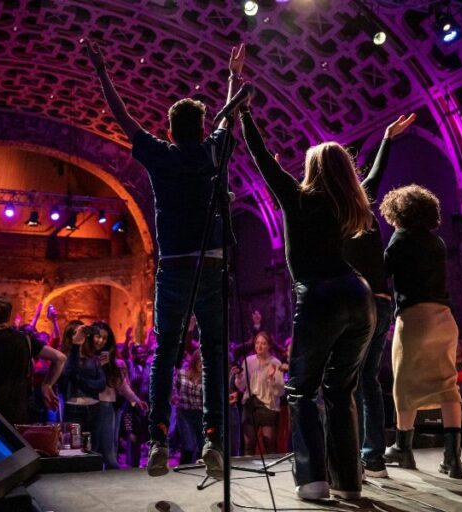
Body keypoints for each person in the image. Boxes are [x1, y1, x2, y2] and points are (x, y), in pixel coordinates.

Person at [86, 38, 245, 479]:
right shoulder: (214, 150)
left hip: (174, 267)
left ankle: (157, 441)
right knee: (214, 353)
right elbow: (227, 118)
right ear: (199, 128)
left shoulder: (160, 155)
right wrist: (233, 77)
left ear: (170, 132)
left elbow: (124, 119)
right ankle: (214, 438)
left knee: (166, 354)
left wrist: (103, 73)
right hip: (212, 266)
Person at [240, 99, 376, 500]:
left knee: (301, 390)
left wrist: (246, 113)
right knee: (340, 391)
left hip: (320, 295)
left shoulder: (298, 197)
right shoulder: (347, 202)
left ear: (312, 168)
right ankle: (349, 482)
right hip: (359, 294)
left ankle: (314, 481)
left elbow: (261, 158)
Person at [343, 113, 417, 478]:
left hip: (356, 302)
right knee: (368, 377)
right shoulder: (362, 202)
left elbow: (373, 173)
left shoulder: (332, 211)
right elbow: (375, 172)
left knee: (350, 378)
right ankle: (372, 458)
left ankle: (356, 453)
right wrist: (387, 137)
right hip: (382, 302)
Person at [379, 184, 462, 479]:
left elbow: (382, 273)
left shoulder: (400, 238)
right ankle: (452, 460)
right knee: (447, 385)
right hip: (444, 318)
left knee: (404, 385)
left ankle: (403, 448)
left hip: (415, 319)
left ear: (397, 212)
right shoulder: (437, 242)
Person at [0, 297, 66, 424]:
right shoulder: (25, 339)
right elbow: (60, 358)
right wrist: (47, 385)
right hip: (20, 414)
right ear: (9, 316)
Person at [93, 321, 148, 469]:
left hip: (111, 404)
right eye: (98, 337)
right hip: (89, 406)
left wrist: (136, 400)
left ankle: (117, 476)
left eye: (104, 338)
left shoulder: (109, 359)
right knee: (96, 448)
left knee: (111, 446)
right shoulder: (85, 356)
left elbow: (121, 383)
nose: (101, 341)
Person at [235, 331, 285, 456]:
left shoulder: (276, 363)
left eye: (263, 343)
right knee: (249, 444)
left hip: (268, 405)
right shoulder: (248, 361)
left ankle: (274, 473)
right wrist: (239, 376)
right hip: (251, 404)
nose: (259, 346)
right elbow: (241, 386)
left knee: (269, 443)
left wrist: (272, 379)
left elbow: (280, 391)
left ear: (269, 346)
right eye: (257, 343)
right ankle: (249, 474)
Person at [59, 322, 106, 446]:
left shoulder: (93, 358)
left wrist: (80, 382)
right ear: (70, 336)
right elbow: (69, 372)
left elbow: (101, 384)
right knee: (75, 450)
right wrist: (75, 346)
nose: (81, 336)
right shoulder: (64, 356)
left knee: (93, 449)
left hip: (95, 408)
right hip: (74, 410)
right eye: (76, 333)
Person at [174, 350, 204, 464]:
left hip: (201, 415)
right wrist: (174, 397)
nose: (202, 364)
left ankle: (198, 473)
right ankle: (183, 470)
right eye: (200, 361)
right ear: (195, 361)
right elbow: (173, 388)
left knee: (203, 447)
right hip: (185, 414)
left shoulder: (207, 379)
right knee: (189, 446)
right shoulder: (182, 374)